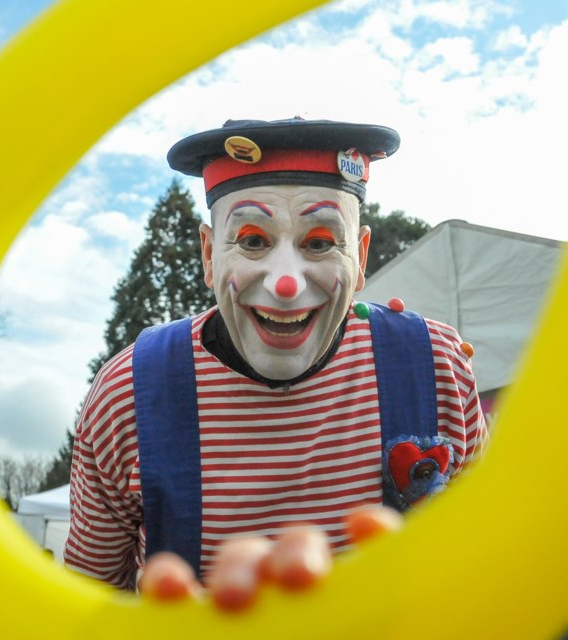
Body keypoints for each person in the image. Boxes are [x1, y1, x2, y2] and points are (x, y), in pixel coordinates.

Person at [63, 116, 490, 610]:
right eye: (252, 240)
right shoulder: (128, 395)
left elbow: (486, 561)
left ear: (362, 257)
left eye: (320, 242)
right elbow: (85, 604)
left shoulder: (436, 365)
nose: (285, 284)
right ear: (208, 255)